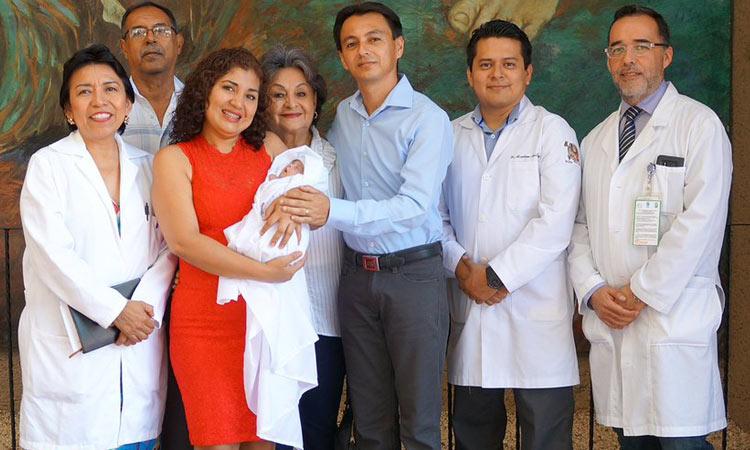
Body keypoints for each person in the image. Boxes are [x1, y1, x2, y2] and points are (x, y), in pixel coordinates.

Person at [267, 3, 454, 449]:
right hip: (355, 280)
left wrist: (331, 211)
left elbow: (414, 207)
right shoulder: (344, 117)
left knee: (418, 420)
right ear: (342, 57)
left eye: (374, 39)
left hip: (412, 275)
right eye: (351, 43)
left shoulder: (427, 119)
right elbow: (316, 161)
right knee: (369, 420)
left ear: (398, 47)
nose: (363, 50)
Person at [568, 5, 731, 449]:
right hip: (614, 325)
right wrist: (592, 290)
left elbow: (700, 222)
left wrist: (641, 292)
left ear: (667, 55)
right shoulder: (595, 141)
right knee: (632, 442)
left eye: (642, 46)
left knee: (682, 444)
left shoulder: (699, 126)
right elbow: (578, 227)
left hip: (671, 321)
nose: (628, 59)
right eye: (617, 49)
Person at [18, 43, 176, 450]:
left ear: (127, 104)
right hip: (71, 355)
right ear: (69, 110)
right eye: (84, 91)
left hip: (138, 338)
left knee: (135, 434)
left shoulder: (149, 166)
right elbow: (52, 256)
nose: (99, 101)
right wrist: (115, 311)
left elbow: (170, 246)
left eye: (110, 89)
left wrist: (141, 310)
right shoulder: (48, 166)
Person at [151, 47, 301, 450]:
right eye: (229, 88)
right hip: (204, 327)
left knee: (263, 442)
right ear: (205, 91)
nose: (239, 103)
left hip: (261, 323)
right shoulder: (174, 159)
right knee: (216, 441)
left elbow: (305, 190)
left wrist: (294, 204)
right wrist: (265, 272)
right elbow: (185, 242)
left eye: (251, 95)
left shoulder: (269, 148)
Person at [441, 19, 580, 450]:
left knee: (545, 439)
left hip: (535, 312)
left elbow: (556, 222)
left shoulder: (553, 132)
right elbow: (434, 217)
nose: (497, 74)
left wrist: (494, 276)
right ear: (470, 74)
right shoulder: (449, 135)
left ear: (528, 72)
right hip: (471, 306)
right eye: (485, 64)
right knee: (474, 435)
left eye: (509, 64)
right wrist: (461, 267)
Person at [260, 44, 345, 450]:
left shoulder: (336, 159)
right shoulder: (250, 160)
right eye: (277, 94)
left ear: (315, 102)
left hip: (325, 319)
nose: (290, 104)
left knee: (316, 428)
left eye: (301, 93)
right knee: (269, 431)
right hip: (267, 324)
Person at [217, 147, 327, 449]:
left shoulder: (302, 172)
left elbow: (318, 208)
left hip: (287, 283)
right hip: (221, 303)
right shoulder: (271, 167)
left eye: (295, 169)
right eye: (288, 167)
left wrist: (292, 197)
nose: (289, 170)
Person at [120, 1, 184, 154]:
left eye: (161, 30)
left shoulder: (200, 103)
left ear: (179, 44)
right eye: (138, 32)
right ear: (124, 48)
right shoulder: (110, 107)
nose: (150, 38)